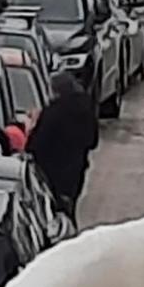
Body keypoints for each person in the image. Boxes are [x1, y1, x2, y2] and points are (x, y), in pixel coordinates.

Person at [26, 74, 97, 218]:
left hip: (52, 174)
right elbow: (93, 141)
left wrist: (32, 128)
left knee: (55, 214)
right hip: (76, 172)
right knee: (69, 210)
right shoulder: (86, 112)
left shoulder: (52, 114)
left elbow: (34, 146)